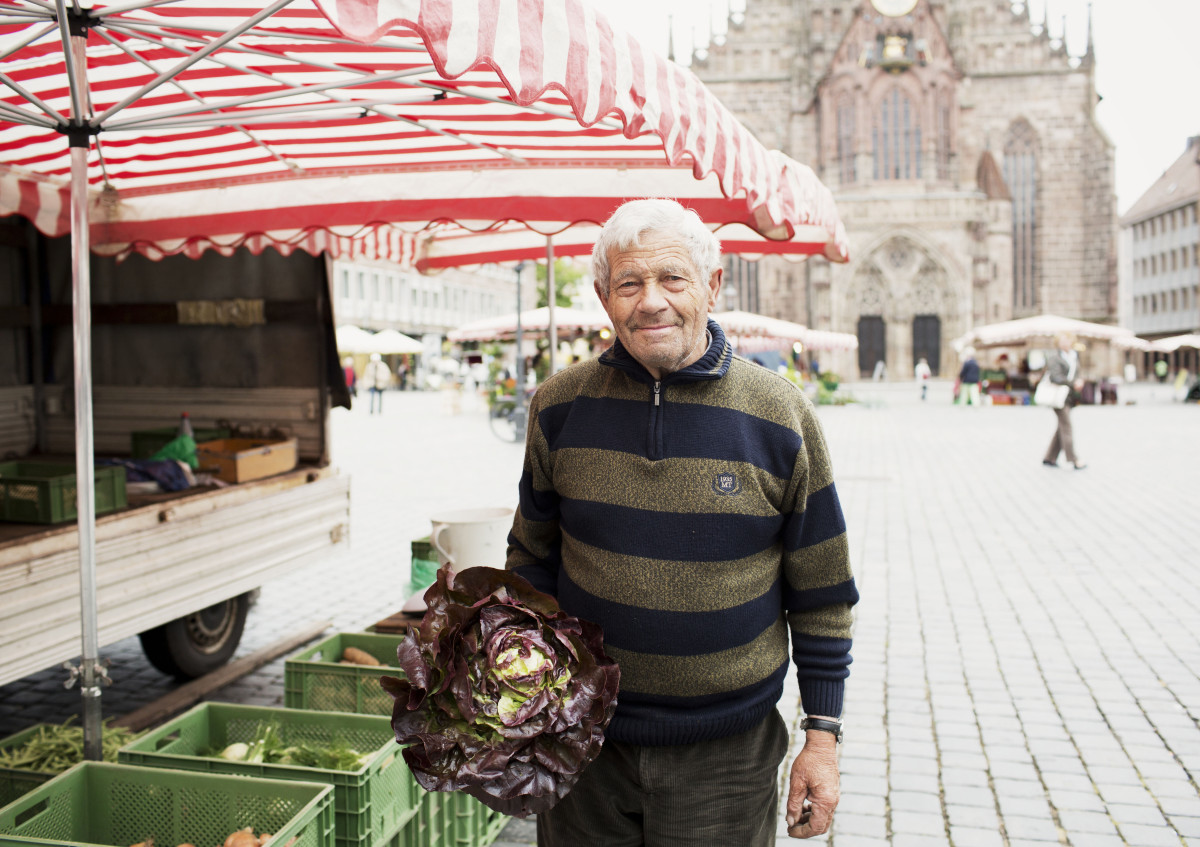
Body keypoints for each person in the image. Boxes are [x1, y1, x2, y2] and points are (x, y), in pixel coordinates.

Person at [504, 199, 858, 845]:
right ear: (603, 295)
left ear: (712, 285)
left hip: (725, 756)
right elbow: (530, 556)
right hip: (582, 743)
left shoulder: (779, 414)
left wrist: (823, 737)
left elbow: (824, 593)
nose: (651, 302)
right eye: (629, 283)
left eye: (672, 278)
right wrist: (521, 681)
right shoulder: (559, 405)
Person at [1042, 332, 1086, 469]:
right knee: (1066, 427)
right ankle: (1074, 459)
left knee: (1061, 427)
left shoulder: (1074, 356)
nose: (1065, 343)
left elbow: (1077, 373)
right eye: (1062, 340)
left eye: (1067, 340)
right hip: (1058, 397)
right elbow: (1055, 377)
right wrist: (1073, 383)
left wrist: (1079, 381)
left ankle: (1049, 457)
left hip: (1069, 397)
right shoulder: (1054, 358)